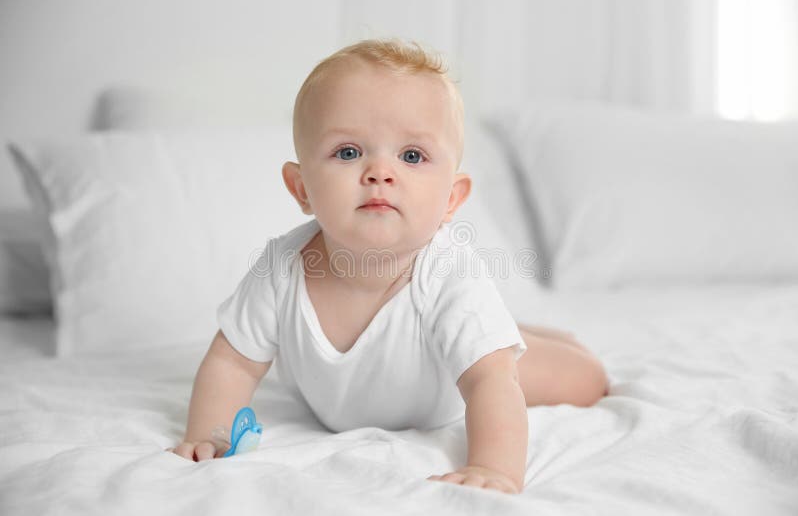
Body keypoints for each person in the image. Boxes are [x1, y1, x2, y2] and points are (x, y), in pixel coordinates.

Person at [170, 38, 609, 494]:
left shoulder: (449, 275)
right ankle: (496, 330)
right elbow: (233, 363)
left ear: (451, 199)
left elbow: (488, 383)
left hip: (449, 385)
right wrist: (209, 434)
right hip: (424, 348)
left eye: (412, 156)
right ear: (301, 188)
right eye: (348, 152)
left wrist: (495, 468)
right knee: (480, 335)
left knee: (585, 379)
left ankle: (506, 337)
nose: (380, 172)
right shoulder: (281, 268)